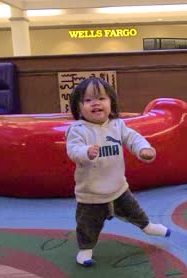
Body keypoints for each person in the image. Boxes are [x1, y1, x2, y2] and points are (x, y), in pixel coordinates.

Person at [66, 77, 171, 267]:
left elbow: (133, 138)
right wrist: (85, 152)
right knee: (87, 225)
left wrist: (143, 150)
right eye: (88, 100)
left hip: (118, 187)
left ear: (111, 103)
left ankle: (147, 227)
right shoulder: (78, 130)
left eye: (101, 98)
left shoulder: (117, 125)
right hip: (91, 193)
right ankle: (85, 250)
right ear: (78, 107)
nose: (95, 103)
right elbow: (73, 150)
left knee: (134, 210)